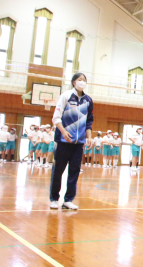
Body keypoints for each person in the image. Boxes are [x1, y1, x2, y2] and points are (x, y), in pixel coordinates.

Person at [49, 72, 93, 210]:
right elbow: (56, 118)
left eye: (84, 80)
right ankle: (54, 199)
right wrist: (63, 131)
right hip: (63, 141)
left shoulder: (88, 100)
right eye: (80, 79)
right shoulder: (66, 96)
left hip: (78, 143)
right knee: (58, 171)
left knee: (74, 171)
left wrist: (89, 137)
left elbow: (89, 121)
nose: (82, 82)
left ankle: (68, 200)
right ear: (74, 82)